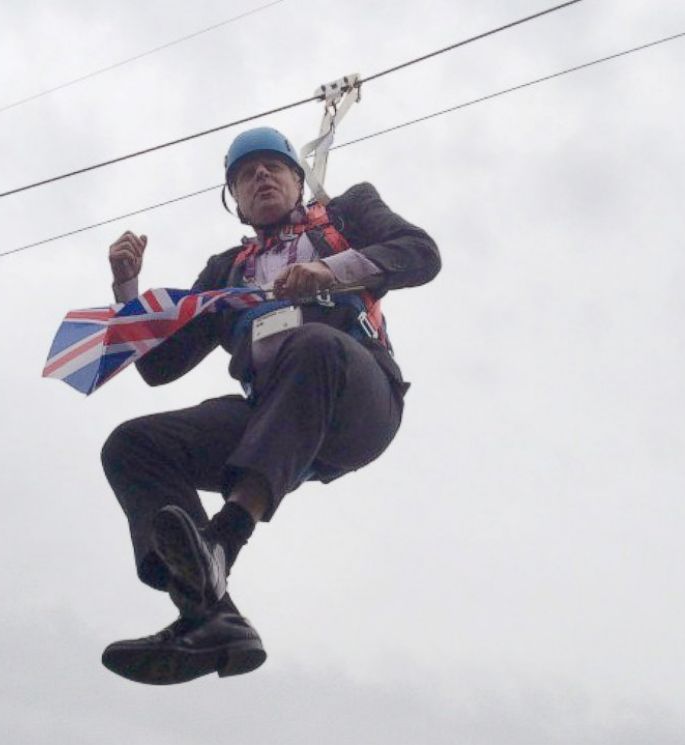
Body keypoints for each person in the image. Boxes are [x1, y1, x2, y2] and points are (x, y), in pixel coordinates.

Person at [99, 126, 440, 685]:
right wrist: (128, 290)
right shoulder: (228, 270)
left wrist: (331, 270)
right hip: (273, 417)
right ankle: (208, 614)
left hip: (358, 399)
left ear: (297, 181)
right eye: (244, 174)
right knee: (134, 445)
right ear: (234, 200)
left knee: (314, 344)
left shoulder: (347, 214)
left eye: (272, 167)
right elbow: (160, 368)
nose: (260, 177)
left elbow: (421, 254)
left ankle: (225, 538)